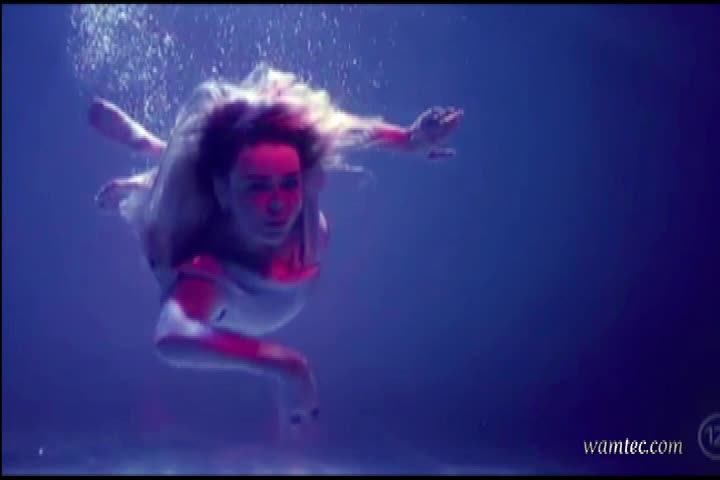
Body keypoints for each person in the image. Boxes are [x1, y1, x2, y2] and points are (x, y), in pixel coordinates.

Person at [90, 63, 463, 433]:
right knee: (182, 172)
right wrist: (287, 366)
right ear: (223, 192)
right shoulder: (209, 267)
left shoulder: (307, 204)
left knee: (238, 148)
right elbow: (172, 337)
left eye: (288, 184)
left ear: (304, 180)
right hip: (215, 243)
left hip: (251, 225)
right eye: (257, 187)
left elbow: (334, 128)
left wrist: (408, 139)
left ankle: (156, 159)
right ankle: (150, 161)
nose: (277, 204)